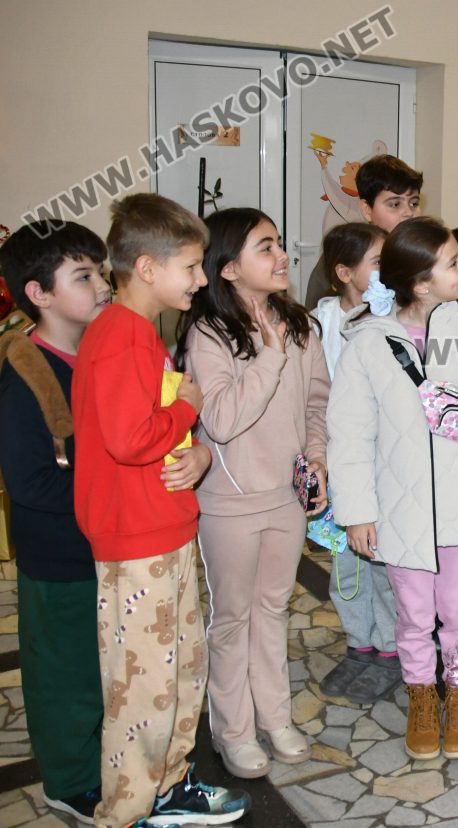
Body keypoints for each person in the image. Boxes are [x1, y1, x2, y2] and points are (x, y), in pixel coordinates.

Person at [74, 193, 249, 827]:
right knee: (142, 691)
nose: (201, 279)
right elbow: (129, 438)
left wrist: (194, 450)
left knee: (180, 672)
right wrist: (188, 408)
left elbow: (152, 430)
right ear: (147, 268)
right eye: (192, 266)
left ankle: (169, 788)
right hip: (135, 538)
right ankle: (124, 813)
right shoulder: (120, 335)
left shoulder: (140, 333)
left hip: (163, 528)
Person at [328, 216, 458, 760]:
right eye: (452, 263)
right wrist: (357, 513)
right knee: (414, 617)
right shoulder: (368, 344)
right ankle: (422, 695)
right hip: (400, 511)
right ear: (420, 284)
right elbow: (349, 435)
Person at [178, 208, 329, 779]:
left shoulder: (299, 325)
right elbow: (220, 420)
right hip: (231, 503)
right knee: (232, 618)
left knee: (273, 609)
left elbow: (317, 404)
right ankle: (233, 731)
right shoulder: (208, 333)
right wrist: (268, 355)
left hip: (286, 498)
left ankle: (276, 717)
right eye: (265, 247)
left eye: (279, 244)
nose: (282, 255)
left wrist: (318, 457)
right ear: (229, 268)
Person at [0, 221, 109, 824]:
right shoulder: (24, 374)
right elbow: (31, 482)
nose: (102, 286)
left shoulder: (97, 352)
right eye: (83, 276)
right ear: (38, 293)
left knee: (102, 666)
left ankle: (101, 760)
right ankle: (68, 781)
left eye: (101, 272)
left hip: (105, 545)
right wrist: (115, 490)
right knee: (65, 673)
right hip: (59, 555)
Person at [308, 222, 406, 705]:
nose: (390, 271)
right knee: (345, 565)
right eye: (378, 263)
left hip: (384, 465)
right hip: (339, 465)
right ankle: (359, 645)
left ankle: (390, 649)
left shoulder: (395, 318)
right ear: (344, 273)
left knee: (384, 563)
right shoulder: (317, 322)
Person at [304, 155, 423, 307]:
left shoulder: (426, 253)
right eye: (395, 204)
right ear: (367, 209)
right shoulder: (344, 255)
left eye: (414, 203)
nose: (408, 213)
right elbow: (317, 315)